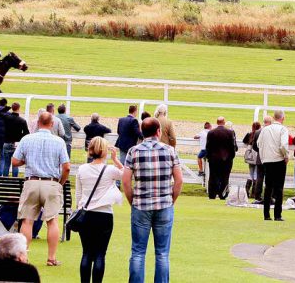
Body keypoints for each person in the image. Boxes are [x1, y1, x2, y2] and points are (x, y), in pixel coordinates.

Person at [123, 117, 182, 283]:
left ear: (142, 131)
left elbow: (126, 182)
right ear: (159, 131)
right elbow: (179, 180)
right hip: (164, 204)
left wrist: (132, 201)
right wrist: (171, 199)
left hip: (141, 204)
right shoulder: (170, 151)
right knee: (162, 253)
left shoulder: (133, 152)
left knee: (138, 251)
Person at [12, 112, 70, 267]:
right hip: (51, 183)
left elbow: (15, 161)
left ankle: (23, 255)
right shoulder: (59, 142)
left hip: (32, 181)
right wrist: (61, 183)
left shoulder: (27, 139)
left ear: (38, 123)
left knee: (27, 221)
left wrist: (27, 160)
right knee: (52, 221)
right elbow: (66, 167)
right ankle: (51, 258)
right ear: (52, 124)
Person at [75, 137, 123, 283]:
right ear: (104, 151)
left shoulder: (82, 169)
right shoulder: (109, 170)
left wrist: (80, 209)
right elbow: (126, 174)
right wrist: (116, 160)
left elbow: (78, 194)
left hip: (86, 213)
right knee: (100, 254)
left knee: (87, 253)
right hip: (104, 215)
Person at [258, 111, 291, 221]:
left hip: (267, 160)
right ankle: (277, 214)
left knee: (268, 187)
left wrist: (264, 157)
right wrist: (286, 156)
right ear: (283, 118)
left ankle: (266, 214)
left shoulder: (265, 129)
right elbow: (283, 145)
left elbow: (259, 144)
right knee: (279, 188)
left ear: (273, 117)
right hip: (278, 160)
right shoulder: (283, 129)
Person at [204, 117, 236, 200]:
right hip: (226, 159)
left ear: (217, 122)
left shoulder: (211, 132)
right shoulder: (229, 132)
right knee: (225, 177)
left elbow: (208, 146)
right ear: (224, 122)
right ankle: (223, 194)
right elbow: (232, 146)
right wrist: (231, 156)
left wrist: (209, 157)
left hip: (214, 158)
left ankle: (212, 194)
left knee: (213, 176)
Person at [2, 103, 29, 177]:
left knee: (6, 164)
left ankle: (5, 180)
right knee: (15, 164)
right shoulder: (22, 120)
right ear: (19, 108)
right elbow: (27, 133)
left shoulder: (6, 117)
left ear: (12, 108)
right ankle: (15, 179)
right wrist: (20, 137)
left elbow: (0, 112)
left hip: (6, 142)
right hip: (16, 144)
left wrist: (7, 108)